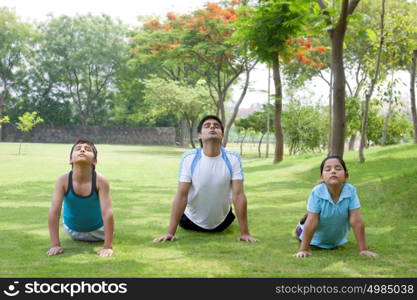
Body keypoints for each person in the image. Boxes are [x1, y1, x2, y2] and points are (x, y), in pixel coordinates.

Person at [154, 115, 257, 243]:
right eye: (207, 126)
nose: (212, 127)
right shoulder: (189, 158)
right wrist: (170, 233)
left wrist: (245, 233)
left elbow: (239, 195)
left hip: (222, 224)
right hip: (189, 222)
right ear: (199, 136)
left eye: (216, 126)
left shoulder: (233, 158)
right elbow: (181, 195)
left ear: (222, 135)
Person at [294, 155, 378, 258]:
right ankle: (299, 226)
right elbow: (312, 221)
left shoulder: (351, 191)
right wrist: (303, 249)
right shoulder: (317, 192)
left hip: (335, 242)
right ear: (322, 177)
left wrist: (363, 249)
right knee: (305, 224)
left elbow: (356, 220)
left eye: (338, 169)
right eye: (328, 169)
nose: (333, 171)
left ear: (346, 175)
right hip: (313, 238)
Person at [47, 138, 114, 257]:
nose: (82, 150)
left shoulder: (101, 181)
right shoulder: (63, 180)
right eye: (78, 149)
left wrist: (107, 247)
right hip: (72, 231)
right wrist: (55, 244)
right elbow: (54, 212)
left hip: (99, 232)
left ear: (94, 161)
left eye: (87, 149)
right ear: (70, 160)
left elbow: (107, 213)